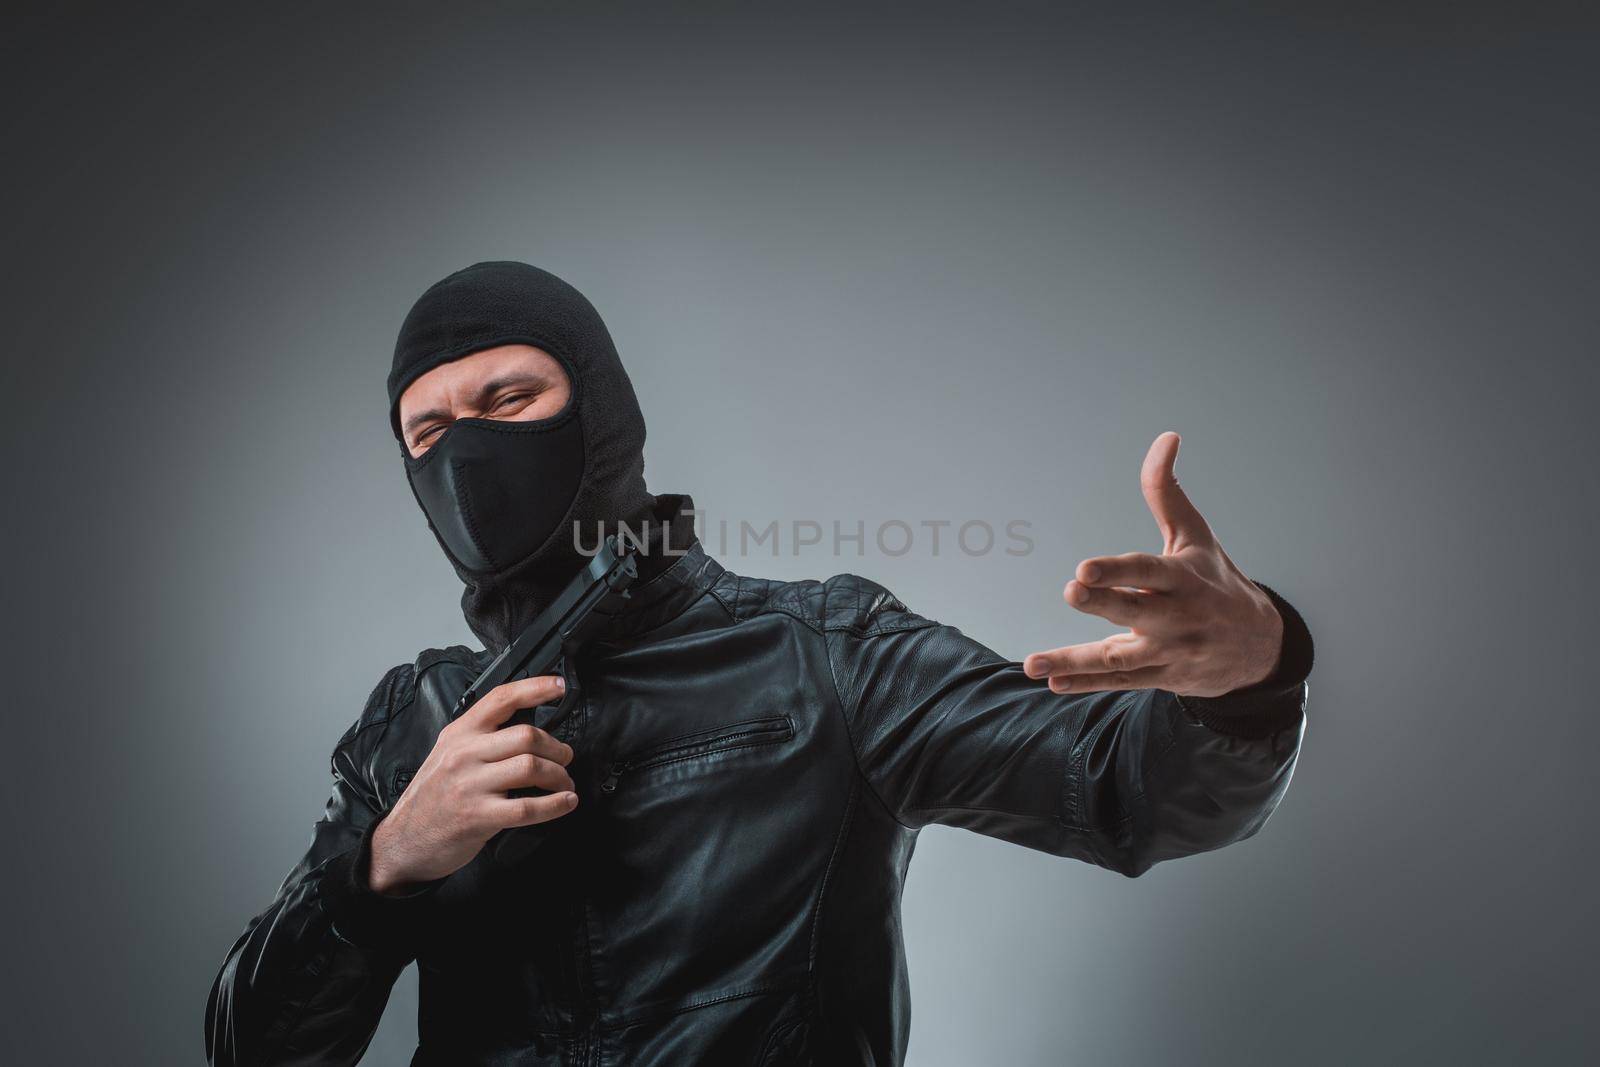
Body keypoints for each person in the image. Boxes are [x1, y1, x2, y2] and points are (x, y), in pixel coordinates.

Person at [205, 261, 1312, 1066]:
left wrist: (1249, 673)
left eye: (509, 398)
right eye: (428, 434)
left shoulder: (821, 652)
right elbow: (253, 1048)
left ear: (598, 415)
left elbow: (1125, 792)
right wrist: (387, 859)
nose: (470, 452)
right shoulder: (416, 719)